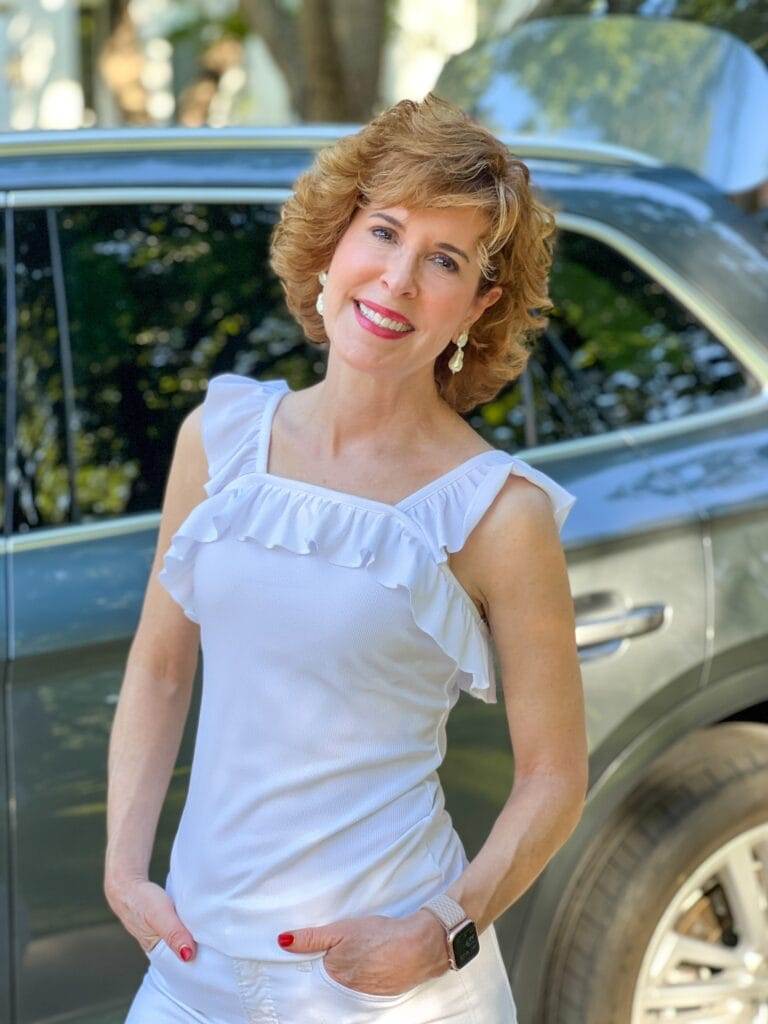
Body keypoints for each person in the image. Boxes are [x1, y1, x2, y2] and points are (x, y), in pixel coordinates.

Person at [104, 92, 588, 1023]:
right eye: (384, 232)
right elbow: (162, 668)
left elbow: (553, 776)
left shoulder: (499, 513)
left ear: (478, 306)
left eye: (442, 261)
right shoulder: (221, 436)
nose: (398, 280)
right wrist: (125, 869)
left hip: (393, 997)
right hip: (190, 974)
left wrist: (447, 925)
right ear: (334, 243)